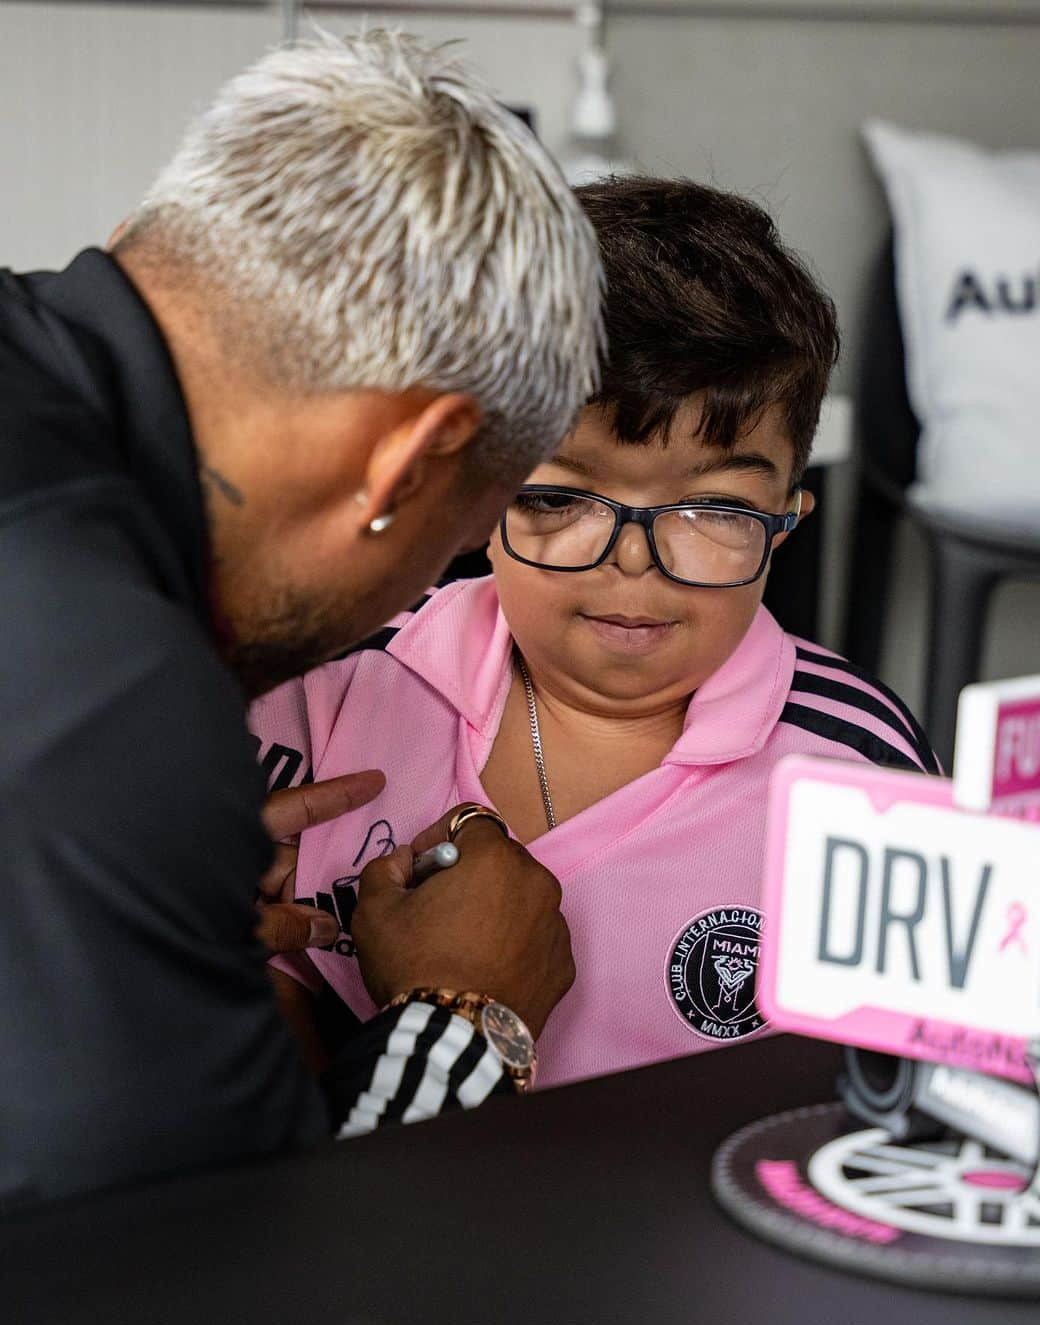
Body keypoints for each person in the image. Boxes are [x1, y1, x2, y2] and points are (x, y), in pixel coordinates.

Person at [0, 30, 603, 1208]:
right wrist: (468, 1025)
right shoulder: (108, 695)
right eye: (451, 545)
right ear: (404, 467)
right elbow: (195, 1284)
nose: (433, 591)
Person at [252, 178, 938, 1095]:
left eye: (715, 507)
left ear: (787, 519)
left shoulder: (858, 770)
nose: (636, 560)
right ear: (478, 493)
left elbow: (902, 1093)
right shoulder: (335, 691)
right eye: (557, 496)